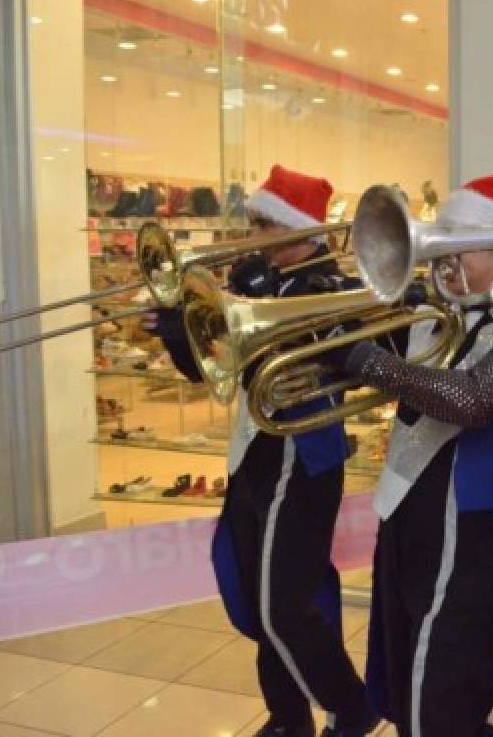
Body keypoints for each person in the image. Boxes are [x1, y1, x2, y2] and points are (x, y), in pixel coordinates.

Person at [145, 165, 377, 737]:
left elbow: (299, 364)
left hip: (303, 456)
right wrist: (181, 333)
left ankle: (352, 708)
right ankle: (286, 717)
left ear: (299, 228)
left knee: (284, 609)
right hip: (254, 451)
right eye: (253, 221)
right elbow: (215, 370)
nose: (253, 234)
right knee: (255, 597)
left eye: (264, 223)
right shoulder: (258, 276)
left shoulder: (330, 286)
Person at [338, 173, 493, 737]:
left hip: (475, 529)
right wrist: (334, 341)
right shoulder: (439, 310)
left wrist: (368, 362)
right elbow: (391, 376)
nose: (440, 266)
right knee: (407, 671)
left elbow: (475, 400)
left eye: (457, 251)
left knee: (446, 686)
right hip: (407, 506)